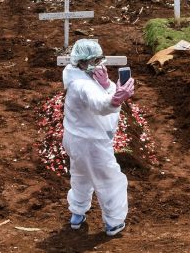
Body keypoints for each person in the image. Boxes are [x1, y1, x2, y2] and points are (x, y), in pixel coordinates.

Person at [62, 39, 135, 237]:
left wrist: (107, 85)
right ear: (83, 61)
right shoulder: (82, 85)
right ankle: (113, 222)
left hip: (75, 139)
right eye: (94, 59)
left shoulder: (77, 76)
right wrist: (117, 97)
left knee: (80, 176)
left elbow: (98, 93)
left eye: (99, 58)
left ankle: (77, 213)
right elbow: (100, 104)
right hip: (91, 143)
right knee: (109, 180)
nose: (99, 63)